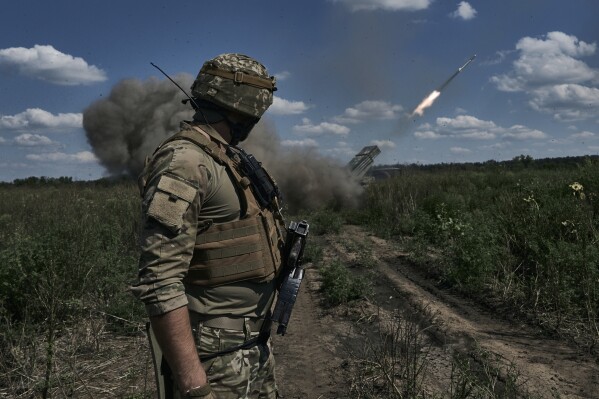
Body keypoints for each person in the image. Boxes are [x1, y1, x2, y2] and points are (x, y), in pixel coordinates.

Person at [132, 53, 286, 399]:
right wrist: (194, 385)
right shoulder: (185, 162)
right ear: (243, 105)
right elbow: (159, 280)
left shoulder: (226, 157)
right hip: (216, 355)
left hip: (249, 344)